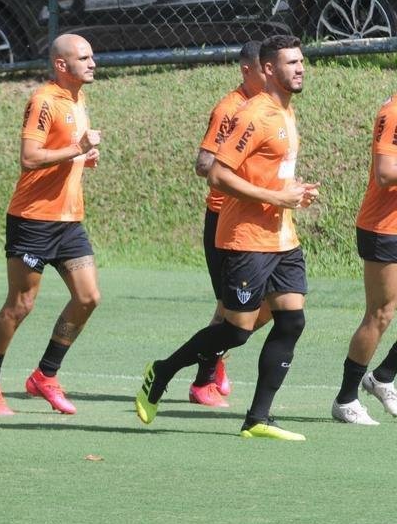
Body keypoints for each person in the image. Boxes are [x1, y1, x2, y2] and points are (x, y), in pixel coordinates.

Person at [137, 34, 318, 440]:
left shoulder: (285, 111)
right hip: (246, 239)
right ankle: (161, 371)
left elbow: (267, 173)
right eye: (291, 63)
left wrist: (293, 193)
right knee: (236, 330)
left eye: (302, 61)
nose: (300, 68)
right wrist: (276, 195)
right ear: (269, 69)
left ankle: (257, 419)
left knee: (292, 320)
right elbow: (218, 173)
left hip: (281, 237)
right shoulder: (253, 115)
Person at [0, 34, 101, 416]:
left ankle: (45, 375)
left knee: (88, 297)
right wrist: (75, 150)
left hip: (69, 220)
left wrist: (79, 159)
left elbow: (59, 154)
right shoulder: (43, 100)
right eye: (84, 57)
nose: (93, 62)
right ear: (62, 65)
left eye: (92, 56)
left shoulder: (78, 98)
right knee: (20, 305)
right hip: (33, 220)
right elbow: (29, 158)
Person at [187, 41, 267, 408]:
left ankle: (216, 356)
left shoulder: (271, 108)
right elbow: (205, 164)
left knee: (281, 305)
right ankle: (202, 381)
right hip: (227, 221)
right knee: (228, 307)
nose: (273, 74)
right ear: (247, 70)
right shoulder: (230, 109)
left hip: (262, 221)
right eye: (266, 68)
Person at [331, 87, 397, 424]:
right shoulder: (394, 111)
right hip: (385, 228)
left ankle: (384, 376)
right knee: (381, 314)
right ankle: (345, 399)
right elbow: (385, 172)